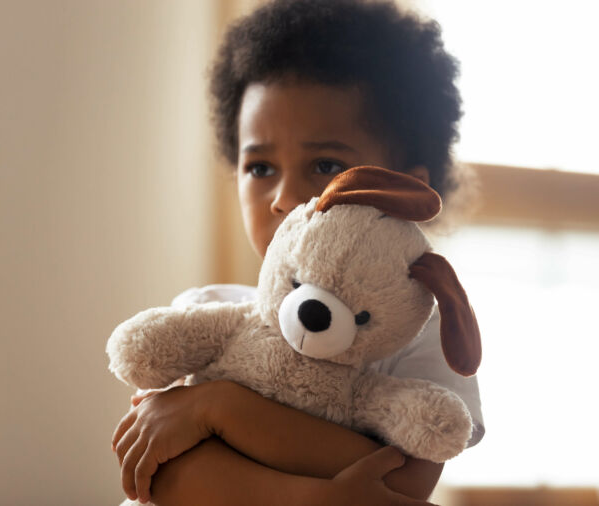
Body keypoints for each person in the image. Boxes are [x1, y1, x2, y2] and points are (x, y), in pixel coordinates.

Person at [111, 0, 484, 504]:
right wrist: (313, 497)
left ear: (403, 194)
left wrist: (218, 409)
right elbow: (156, 475)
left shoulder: (422, 337)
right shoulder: (204, 312)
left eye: (326, 164)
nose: (284, 198)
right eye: (260, 167)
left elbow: (403, 485)